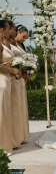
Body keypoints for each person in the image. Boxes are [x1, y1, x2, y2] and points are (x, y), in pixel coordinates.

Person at [0, 19, 20, 155]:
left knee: (5, 115)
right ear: (2, 30)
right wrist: (12, 71)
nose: (9, 31)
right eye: (8, 29)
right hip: (2, 81)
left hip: (6, 80)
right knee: (2, 115)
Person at [15, 25, 30, 143]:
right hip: (15, 77)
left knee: (21, 105)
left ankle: (22, 134)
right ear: (18, 32)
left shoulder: (21, 46)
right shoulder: (10, 44)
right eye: (23, 37)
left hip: (21, 78)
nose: (24, 39)